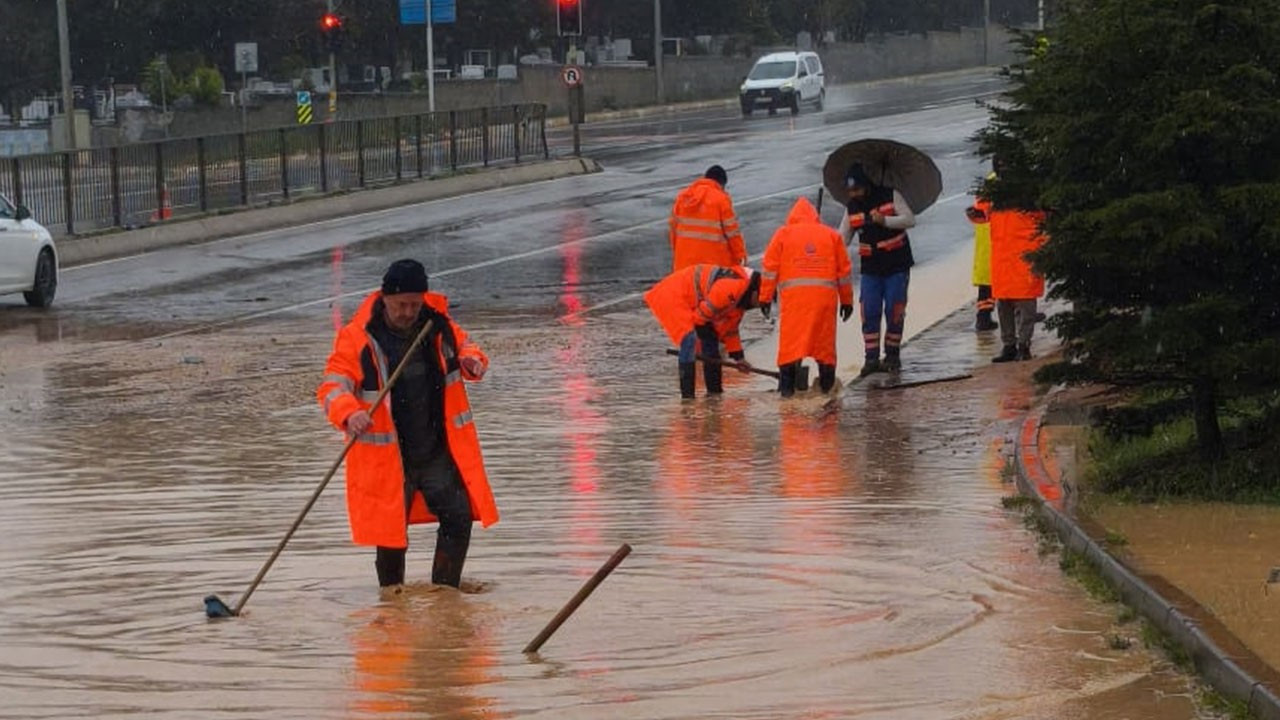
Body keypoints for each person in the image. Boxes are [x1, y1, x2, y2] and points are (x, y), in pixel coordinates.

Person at [317, 259, 499, 592]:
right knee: (390, 534)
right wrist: (349, 413)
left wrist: (473, 361)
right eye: (401, 305)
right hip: (390, 458)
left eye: (415, 304)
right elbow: (332, 386)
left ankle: (445, 592)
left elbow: (468, 347)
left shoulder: (438, 326)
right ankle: (392, 595)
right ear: (385, 298)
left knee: (458, 517)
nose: (408, 312)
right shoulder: (357, 338)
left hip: (435, 451)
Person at [759, 196, 854, 397]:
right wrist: (847, 301)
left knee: (791, 347)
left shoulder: (783, 234)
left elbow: (770, 268)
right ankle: (827, 390)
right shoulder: (831, 236)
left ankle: (787, 394)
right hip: (824, 302)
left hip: (795, 303)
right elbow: (844, 272)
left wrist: (765, 298)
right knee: (824, 347)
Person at [838, 163, 917, 376]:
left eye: (856, 189)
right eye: (850, 191)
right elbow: (841, 239)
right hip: (871, 268)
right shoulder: (852, 208)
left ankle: (892, 355)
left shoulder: (891, 195)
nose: (853, 194)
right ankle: (871, 358)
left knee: (894, 309)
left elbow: (910, 220)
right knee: (869, 311)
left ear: (866, 185)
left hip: (896, 265)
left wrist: (885, 220)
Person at [644, 263, 761, 399]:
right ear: (755, 293)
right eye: (760, 303)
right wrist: (710, 341)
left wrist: (739, 358)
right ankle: (688, 398)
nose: (758, 306)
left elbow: (730, 330)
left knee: (711, 344)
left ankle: (714, 394)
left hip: (692, 300)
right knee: (689, 339)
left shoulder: (741, 299)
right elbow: (699, 319)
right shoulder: (730, 288)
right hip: (673, 295)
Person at [988, 198, 1048, 362]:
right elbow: (982, 212)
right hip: (1004, 257)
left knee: (1024, 302)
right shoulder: (996, 196)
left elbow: (1046, 216)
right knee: (1004, 303)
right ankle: (1010, 346)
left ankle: (1023, 345)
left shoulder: (1029, 195)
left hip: (1023, 255)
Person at [668, 165, 748, 271]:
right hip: (712, 267)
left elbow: (673, 231)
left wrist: (679, 253)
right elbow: (733, 234)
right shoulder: (721, 199)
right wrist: (741, 257)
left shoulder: (683, 197)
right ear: (721, 184)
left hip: (684, 265)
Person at [965, 171, 999, 332]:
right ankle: (1020, 312)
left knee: (986, 280)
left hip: (985, 235)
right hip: (996, 234)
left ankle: (983, 317)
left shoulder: (989, 181)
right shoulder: (1007, 182)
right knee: (1003, 276)